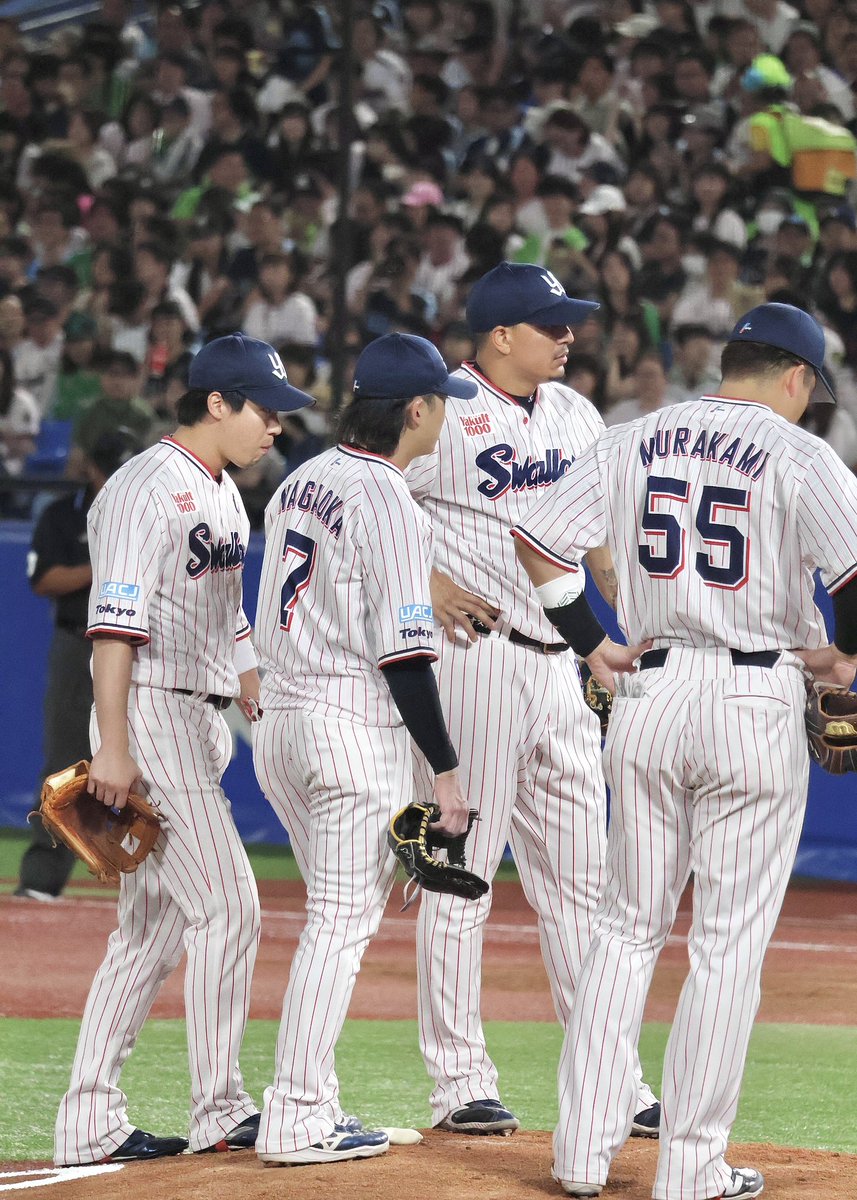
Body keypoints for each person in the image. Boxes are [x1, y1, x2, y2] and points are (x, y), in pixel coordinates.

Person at [511, 302, 857, 1199]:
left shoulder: (634, 437)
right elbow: (855, 580)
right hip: (752, 694)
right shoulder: (800, 453)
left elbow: (535, 539)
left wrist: (591, 637)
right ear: (794, 377)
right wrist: (844, 668)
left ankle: (579, 1157)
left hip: (650, 691)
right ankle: (691, 1168)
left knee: (625, 931)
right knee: (725, 946)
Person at [403, 261, 660, 1136]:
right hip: (473, 660)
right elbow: (368, 506)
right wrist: (427, 580)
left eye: (569, 323)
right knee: (460, 872)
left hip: (559, 663)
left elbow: (590, 548)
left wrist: (609, 639)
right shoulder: (439, 406)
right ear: (499, 334)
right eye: (551, 324)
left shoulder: (576, 413)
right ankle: (459, 1084)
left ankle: (612, 1079)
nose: (568, 336)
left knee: (587, 887)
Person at [54, 333, 315, 1165]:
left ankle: (89, 1116)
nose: (275, 425)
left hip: (197, 715)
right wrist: (115, 747)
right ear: (215, 402)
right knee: (229, 907)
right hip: (151, 712)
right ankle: (221, 1107)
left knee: (151, 932)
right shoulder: (143, 488)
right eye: (263, 409)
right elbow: (112, 631)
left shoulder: (224, 492)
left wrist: (248, 676)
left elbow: (226, 610)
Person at [251, 333, 475, 1166]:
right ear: (416, 411)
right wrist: (445, 776)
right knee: (341, 924)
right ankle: (298, 1113)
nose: (448, 410)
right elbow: (406, 657)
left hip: (279, 726)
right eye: (443, 399)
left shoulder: (301, 477)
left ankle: (316, 1100)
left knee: (331, 918)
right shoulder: (390, 501)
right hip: (347, 726)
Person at [15, 429, 142, 902]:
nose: (113, 476)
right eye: (108, 465)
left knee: (159, 763)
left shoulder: (145, 511)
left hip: (143, 651)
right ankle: (41, 879)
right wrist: (107, 565)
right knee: (66, 763)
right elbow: (44, 578)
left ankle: (156, 885)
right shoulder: (62, 515)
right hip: (78, 648)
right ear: (90, 466)